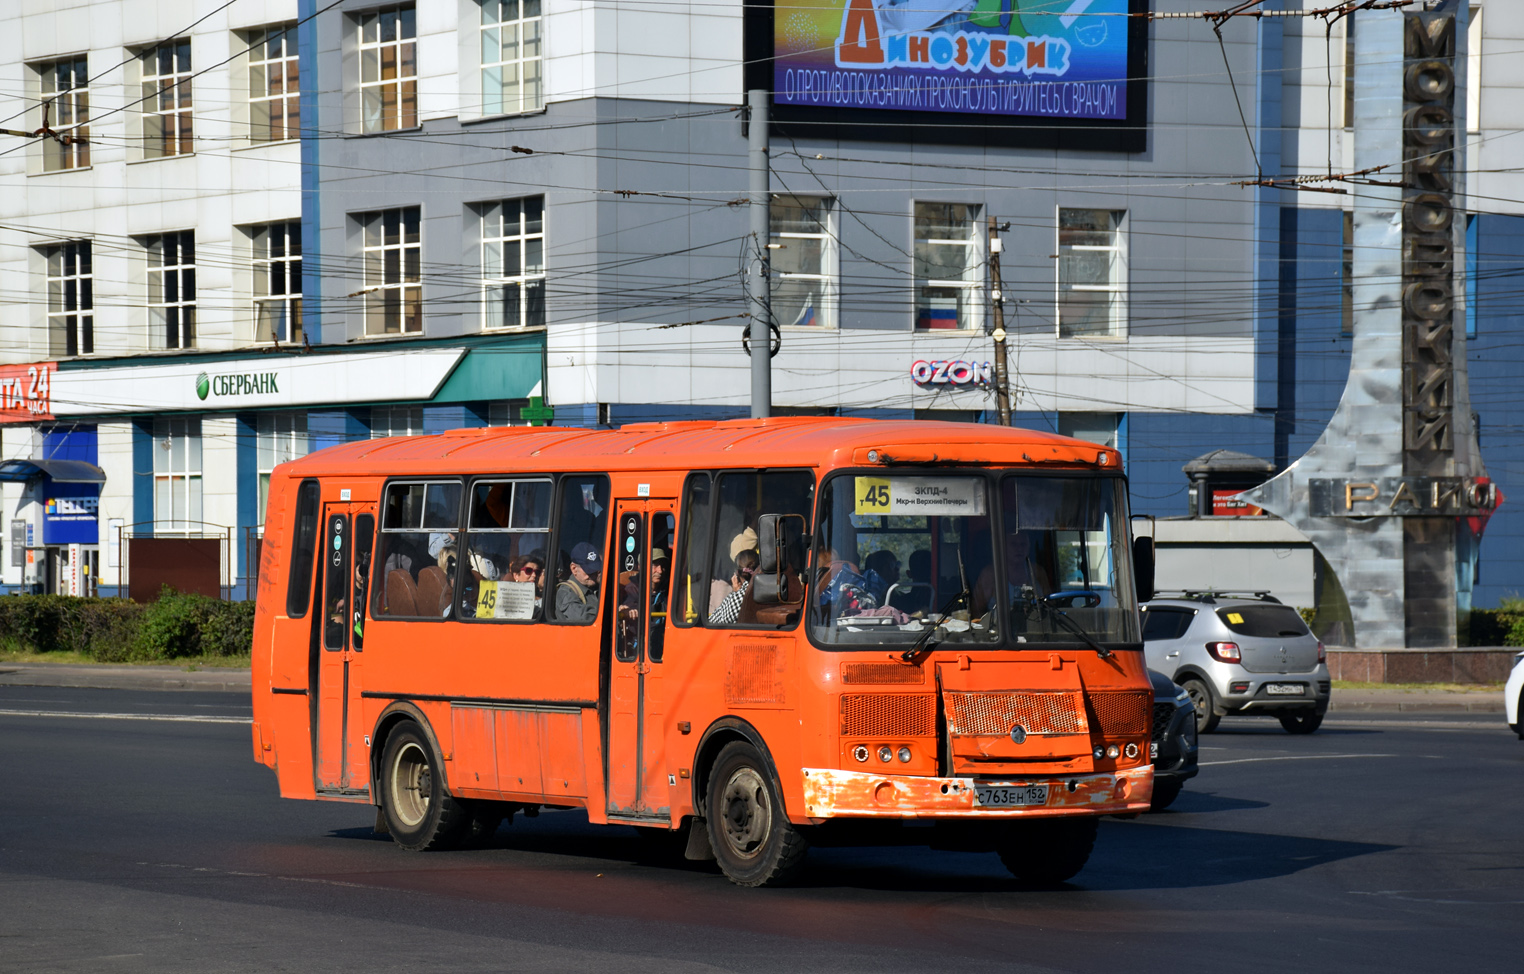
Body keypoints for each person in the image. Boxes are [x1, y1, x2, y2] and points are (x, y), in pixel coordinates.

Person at [709, 549, 759, 625]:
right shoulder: (764, 590)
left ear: (737, 574)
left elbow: (713, 622)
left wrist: (734, 594)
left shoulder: (739, 598)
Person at [556, 541, 602, 623]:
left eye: (596, 570)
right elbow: (584, 618)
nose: (593, 575)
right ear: (574, 569)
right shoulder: (566, 592)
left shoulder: (597, 586)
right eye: (589, 571)